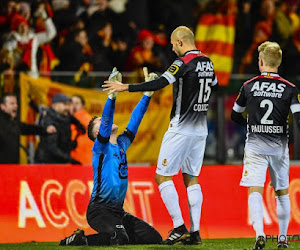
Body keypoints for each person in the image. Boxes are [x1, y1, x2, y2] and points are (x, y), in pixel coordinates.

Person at [103, 26, 218, 245]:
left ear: (181, 42)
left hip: (181, 127)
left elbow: (160, 83)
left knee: (162, 176)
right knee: (191, 177)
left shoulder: (182, 63)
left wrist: (124, 87)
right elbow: (216, 86)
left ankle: (179, 227)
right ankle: (195, 233)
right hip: (200, 128)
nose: (173, 48)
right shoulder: (208, 62)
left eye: (174, 44)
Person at [59, 68, 162, 246]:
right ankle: (80, 240)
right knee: (120, 238)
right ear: (98, 132)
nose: (105, 120)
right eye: (99, 121)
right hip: (99, 211)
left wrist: (147, 94)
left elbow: (135, 120)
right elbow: (107, 121)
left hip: (117, 211)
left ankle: (100, 237)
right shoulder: (100, 148)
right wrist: (111, 97)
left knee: (154, 238)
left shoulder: (121, 144)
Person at [231, 41, 300, 250]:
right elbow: (298, 118)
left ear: (261, 62)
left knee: (255, 189)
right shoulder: (290, 88)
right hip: (279, 147)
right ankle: (282, 238)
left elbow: (235, 115)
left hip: (255, 146)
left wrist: (250, 124)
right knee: (282, 191)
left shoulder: (248, 85)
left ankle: (260, 235)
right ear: (278, 63)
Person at [0, 93, 56, 164]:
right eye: (12, 103)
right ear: (2, 106)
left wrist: (45, 130)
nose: (16, 106)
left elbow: (28, 128)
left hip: (12, 166)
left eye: (16, 103)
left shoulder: (14, 122)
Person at [34, 93, 84, 164]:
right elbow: (52, 148)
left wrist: (79, 125)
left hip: (60, 160)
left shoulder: (64, 116)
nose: (67, 108)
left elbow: (71, 118)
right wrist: (69, 159)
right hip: (47, 162)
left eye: (68, 105)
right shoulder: (50, 122)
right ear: (55, 106)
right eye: (64, 104)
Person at [70, 95, 93, 165]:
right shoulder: (71, 119)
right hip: (80, 159)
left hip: (82, 159)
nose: (74, 106)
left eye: (77, 103)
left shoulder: (85, 119)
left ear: (83, 106)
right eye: (71, 103)